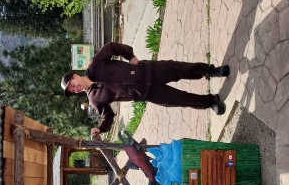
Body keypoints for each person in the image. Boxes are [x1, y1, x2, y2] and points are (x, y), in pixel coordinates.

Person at [61, 42, 229, 137]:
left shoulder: (95, 64)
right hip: (148, 94)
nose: (75, 89)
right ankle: (211, 101)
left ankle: (211, 71)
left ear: (75, 76)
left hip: (149, 70)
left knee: (182, 69)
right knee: (182, 99)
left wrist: (129, 55)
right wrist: (101, 128)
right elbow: (108, 115)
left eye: (73, 85)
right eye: (72, 91)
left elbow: (111, 47)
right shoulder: (94, 99)